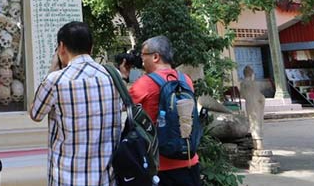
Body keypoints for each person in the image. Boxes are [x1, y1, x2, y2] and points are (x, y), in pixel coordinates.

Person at [29, 21, 120, 186]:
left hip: (67, 177)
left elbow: (35, 113)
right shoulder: (113, 76)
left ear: (61, 47)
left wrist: (52, 69)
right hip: (107, 177)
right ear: (91, 48)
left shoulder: (56, 80)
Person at [127, 36, 201, 186]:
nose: (141, 60)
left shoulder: (145, 83)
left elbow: (124, 106)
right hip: (190, 161)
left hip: (162, 166)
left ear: (155, 57)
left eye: (143, 55)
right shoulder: (185, 80)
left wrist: (123, 76)